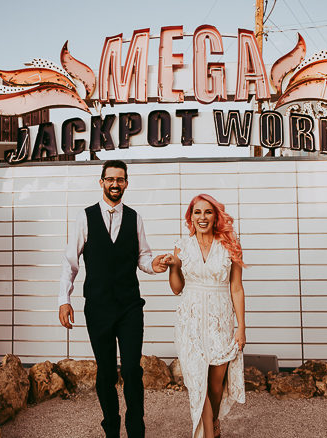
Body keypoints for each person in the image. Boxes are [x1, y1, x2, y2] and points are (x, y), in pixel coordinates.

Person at [58, 160, 168, 438]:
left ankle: (135, 430)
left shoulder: (135, 218)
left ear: (126, 183)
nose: (115, 184)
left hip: (130, 307)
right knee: (106, 371)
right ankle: (111, 429)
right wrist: (64, 298)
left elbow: (142, 256)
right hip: (98, 307)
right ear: (102, 182)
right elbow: (71, 261)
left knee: (132, 370)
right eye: (110, 179)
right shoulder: (85, 217)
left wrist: (152, 265)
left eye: (120, 179)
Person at [162, 193, 246, 438]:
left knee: (216, 385)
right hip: (190, 321)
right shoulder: (182, 246)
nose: (202, 217)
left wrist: (241, 327)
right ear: (191, 216)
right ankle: (209, 435)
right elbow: (177, 288)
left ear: (216, 215)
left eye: (207, 212)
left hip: (221, 321)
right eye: (197, 212)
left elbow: (237, 288)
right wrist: (173, 267)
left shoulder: (230, 244)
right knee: (198, 381)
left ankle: (215, 421)